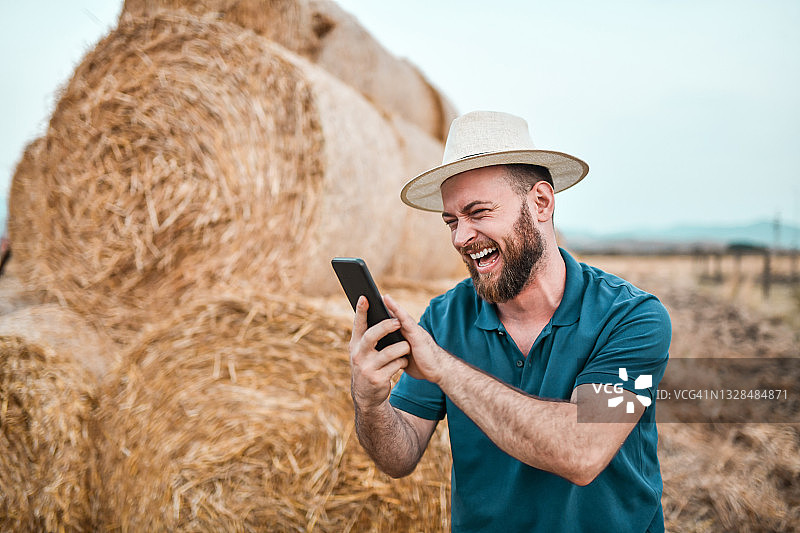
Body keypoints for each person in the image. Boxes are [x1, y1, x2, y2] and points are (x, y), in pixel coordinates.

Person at [348, 111, 671, 532]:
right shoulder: (445, 318)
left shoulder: (631, 318)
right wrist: (370, 403)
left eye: (478, 212)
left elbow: (583, 451)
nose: (460, 238)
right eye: (451, 221)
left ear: (541, 203)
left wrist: (444, 368)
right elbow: (400, 457)